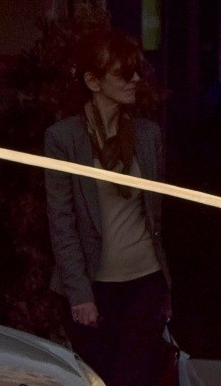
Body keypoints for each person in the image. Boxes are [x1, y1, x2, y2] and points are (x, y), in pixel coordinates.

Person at [44, 28, 170, 386]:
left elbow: (156, 219)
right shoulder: (63, 138)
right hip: (95, 285)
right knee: (101, 379)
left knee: (136, 378)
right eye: (123, 73)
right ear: (93, 81)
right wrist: (80, 294)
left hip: (145, 281)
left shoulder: (148, 136)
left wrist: (165, 288)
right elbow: (62, 222)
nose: (134, 80)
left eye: (135, 71)